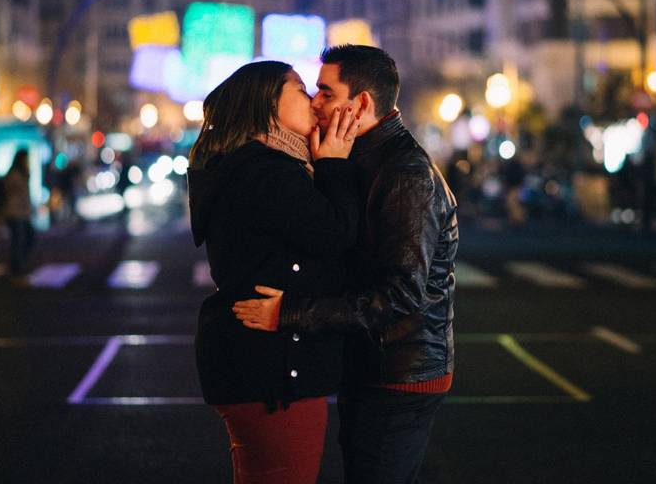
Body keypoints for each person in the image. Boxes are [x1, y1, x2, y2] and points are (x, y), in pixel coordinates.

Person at [233, 45, 458, 484]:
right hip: (370, 361)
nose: (315, 103)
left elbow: (402, 293)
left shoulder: (403, 174)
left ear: (362, 104)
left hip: (400, 371)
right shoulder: (357, 154)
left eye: (325, 92)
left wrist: (293, 312)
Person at [187, 60, 361, 484]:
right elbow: (336, 235)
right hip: (273, 369)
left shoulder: (257, 165)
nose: (313, 100)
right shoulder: (266, 171)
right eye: (300, 89)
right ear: (268, 103)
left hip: (256, 363)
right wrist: (335, 164)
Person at [3, 150, 35, 282]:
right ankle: (17, 269)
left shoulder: (23, 173)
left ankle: (17, 266)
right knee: (19, 241)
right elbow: (9, 191)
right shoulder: (14, 174)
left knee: (26, 238)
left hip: (23, 212)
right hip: (14, 212)